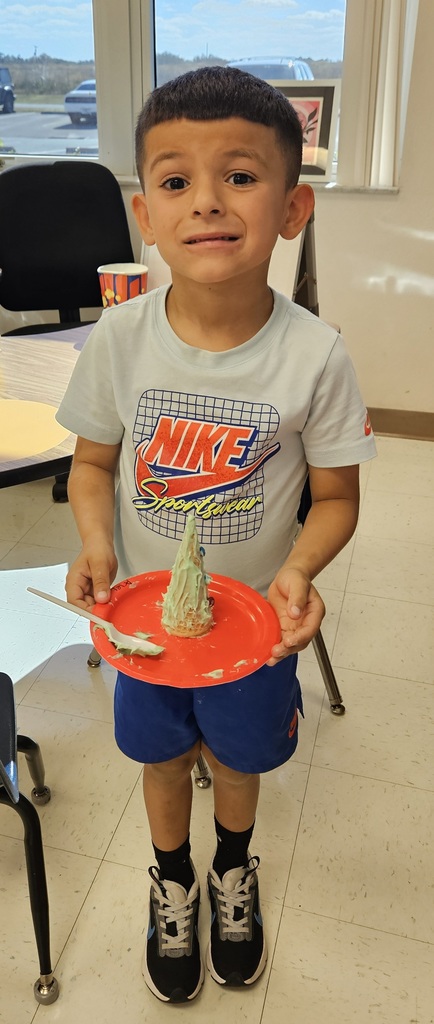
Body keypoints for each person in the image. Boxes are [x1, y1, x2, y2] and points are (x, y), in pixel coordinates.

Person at [56, 65, 376, 1004]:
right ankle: (172, 879)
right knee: (159, 758)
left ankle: (233, 867)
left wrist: (303, 570)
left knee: (238, 760)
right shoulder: (119, 341)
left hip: (252, 636)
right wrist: (95, 543)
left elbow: (337, 498)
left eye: (239, 176)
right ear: (144, 214)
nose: (206, 202)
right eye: (175, 181)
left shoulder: (316, 355)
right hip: (146, 629)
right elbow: (92, 467)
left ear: (292, 208)